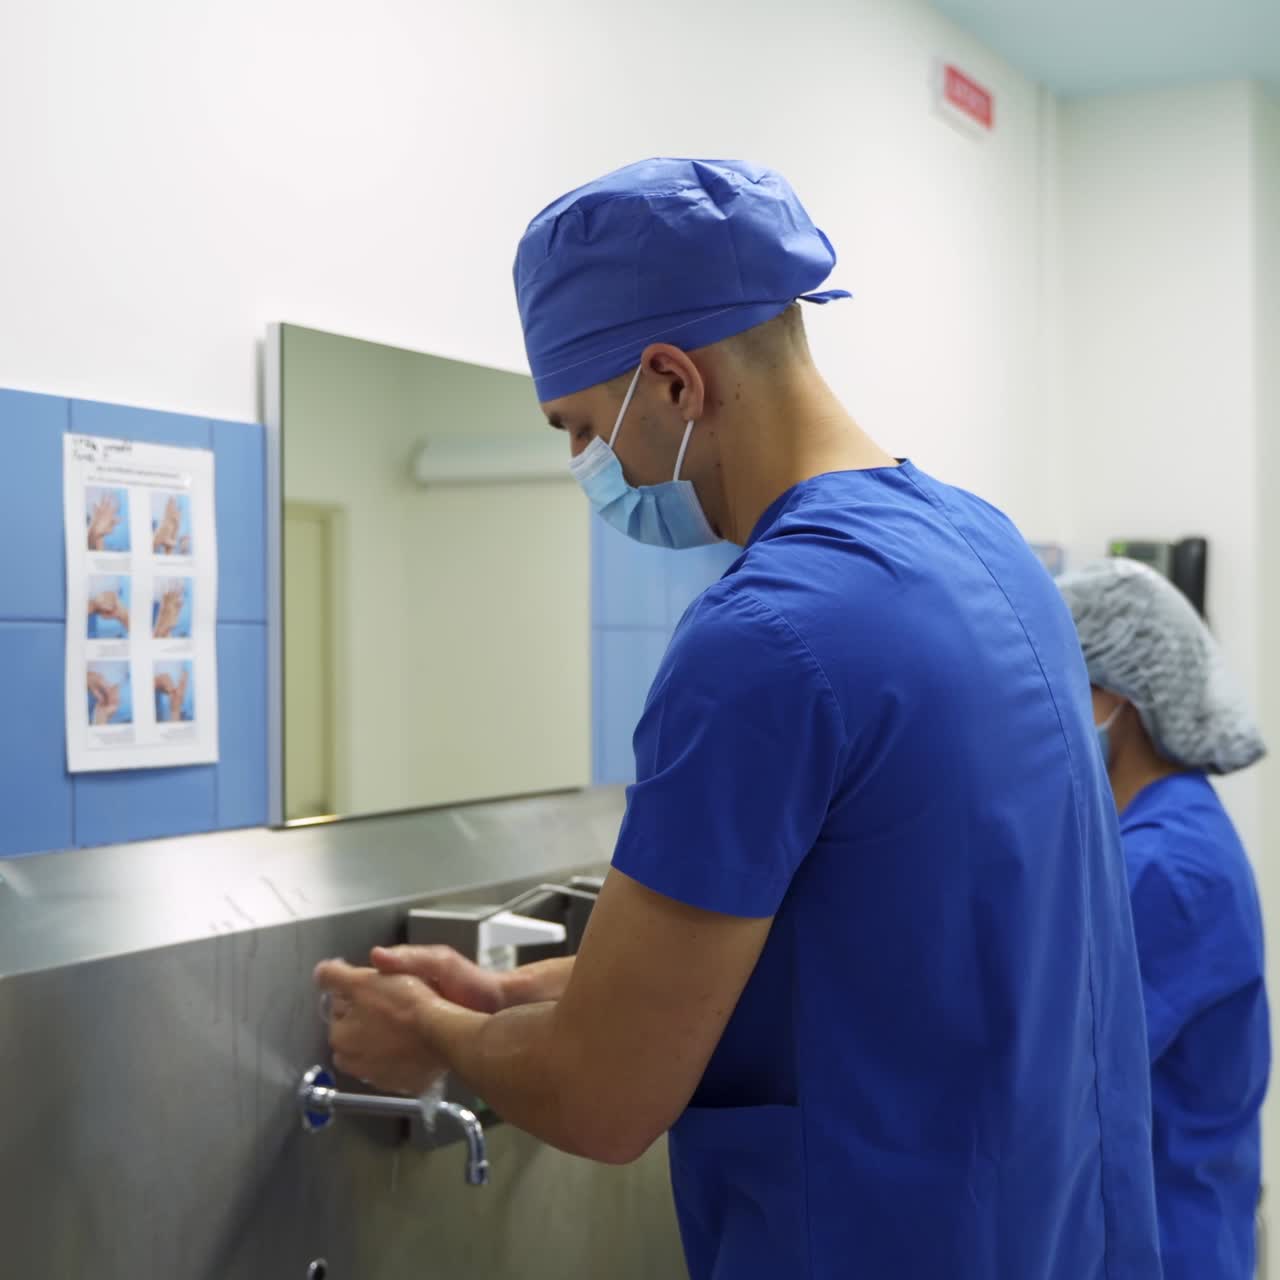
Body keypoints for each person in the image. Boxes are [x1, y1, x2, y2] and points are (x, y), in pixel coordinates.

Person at [315, 157, 1161, 1278]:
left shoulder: (764, 640)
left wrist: (438, 1036)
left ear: (672, 381)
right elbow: (854, 936)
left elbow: (602, 1097)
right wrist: (521, 992)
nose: (585, 466)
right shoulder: (987, 550)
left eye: (577, 427)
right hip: (1054, 1230)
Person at [1059, 557, 1270, 1280]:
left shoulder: (1165, 867)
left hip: (1165, 1241)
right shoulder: (1164, 830)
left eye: (1064, 691)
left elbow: (1063, 1070)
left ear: (1122, 698)